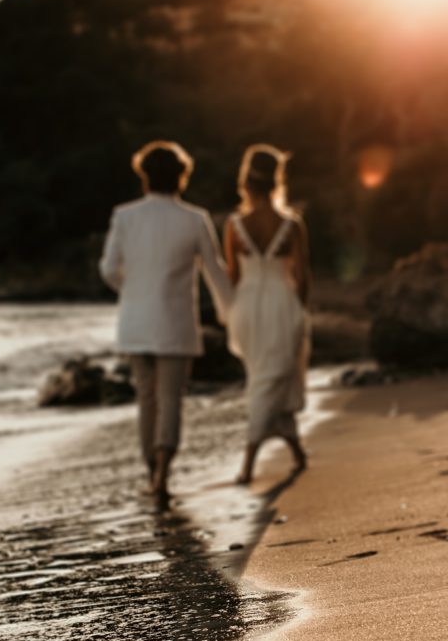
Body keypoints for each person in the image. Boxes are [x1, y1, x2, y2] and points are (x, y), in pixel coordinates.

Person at [99, 140, 232, 507]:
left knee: (147, 398)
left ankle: (151, 473)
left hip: (136, 321)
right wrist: (230, 313)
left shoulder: (124, 216)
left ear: (144, 177)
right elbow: (215, 272)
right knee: (171, 398)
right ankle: (163, 474)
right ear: (181, 178)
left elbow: (108, 270)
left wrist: (134, 289)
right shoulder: (195, 218)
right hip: (175, 322)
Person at [223, 144, 311, 485]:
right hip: (282, 303)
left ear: (246, 181)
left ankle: (291, 452)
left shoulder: (233, 225)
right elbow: (303, 278)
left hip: (246, 307)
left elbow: (232, 276)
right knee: (272, 378)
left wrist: (228, 313)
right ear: (276, 181)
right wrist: (298, 313)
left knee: (267, 377)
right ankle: (250, 462)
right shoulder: (292, 225)